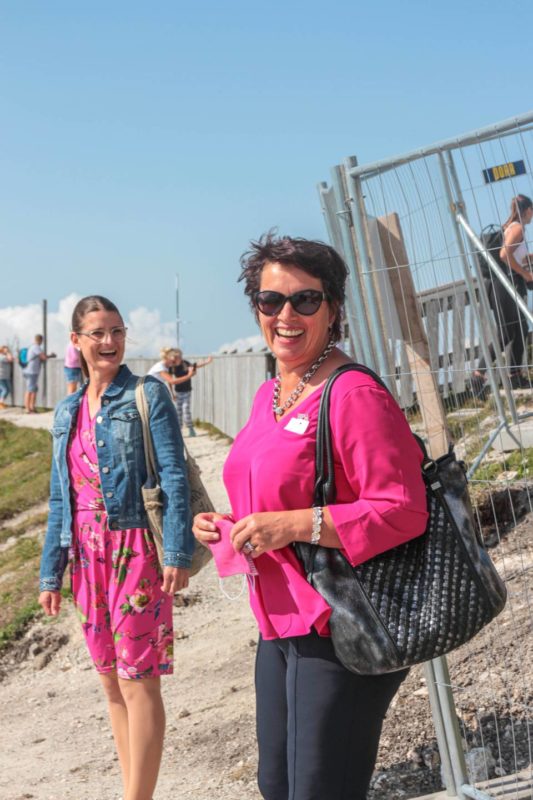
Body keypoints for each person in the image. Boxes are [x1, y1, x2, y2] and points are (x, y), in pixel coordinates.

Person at [193, 234, 428, 800]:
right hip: (280, 623)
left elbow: (402, 509)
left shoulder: (353, 394)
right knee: (277, 785)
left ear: (334, 309)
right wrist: (228, 525)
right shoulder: (271, 393)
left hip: (341, 619)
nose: (286, 315)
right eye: (271, 301)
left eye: (305, 300)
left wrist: (294, 525)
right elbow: (281, 492)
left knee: (319, 789)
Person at [39, 295, 193, 800]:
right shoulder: (66, 411)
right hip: (84, 556)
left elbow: (173, 475)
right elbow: (60, 496)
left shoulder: (148, 393)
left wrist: (176, 551)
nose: (109, 342)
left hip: (134, 547)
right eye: (98, 333)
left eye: (117, 331)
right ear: (76, 341)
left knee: (138, 679)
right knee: (110, 681)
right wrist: (49, 574)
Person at [472, 194, 533, 393]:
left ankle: (515, 376)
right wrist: (525, 274)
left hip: (500, 284)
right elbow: (504, 255)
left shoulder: (509, 227)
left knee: (520, 328)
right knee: (507, 332)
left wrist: (527, 260)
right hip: (503, 285)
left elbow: (512, 254)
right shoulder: (517, 228)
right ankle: (478, 376)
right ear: (528, 210)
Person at [168, 349, 213, 437]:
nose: (179, 358)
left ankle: (191, 429)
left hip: (186, 391)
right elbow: (170, 381)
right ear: (174, 357)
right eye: (177, 356)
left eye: (180, 356)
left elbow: (195, 366)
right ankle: (179, 431)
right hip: (178, 392)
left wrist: (207, 362)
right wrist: (172, 393)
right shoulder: (172, 367)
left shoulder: (185, 363)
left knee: (186, 410)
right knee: (178, 412)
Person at [22, 334, 55, 413]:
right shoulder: (36, 347)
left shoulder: (32, 347)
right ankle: (28, 408)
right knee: (30, 390)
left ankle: (31, 407)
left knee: (33, 390)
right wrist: (51, 356)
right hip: (31, 372)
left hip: (30, 371)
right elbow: (43, 357)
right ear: (40, 340)